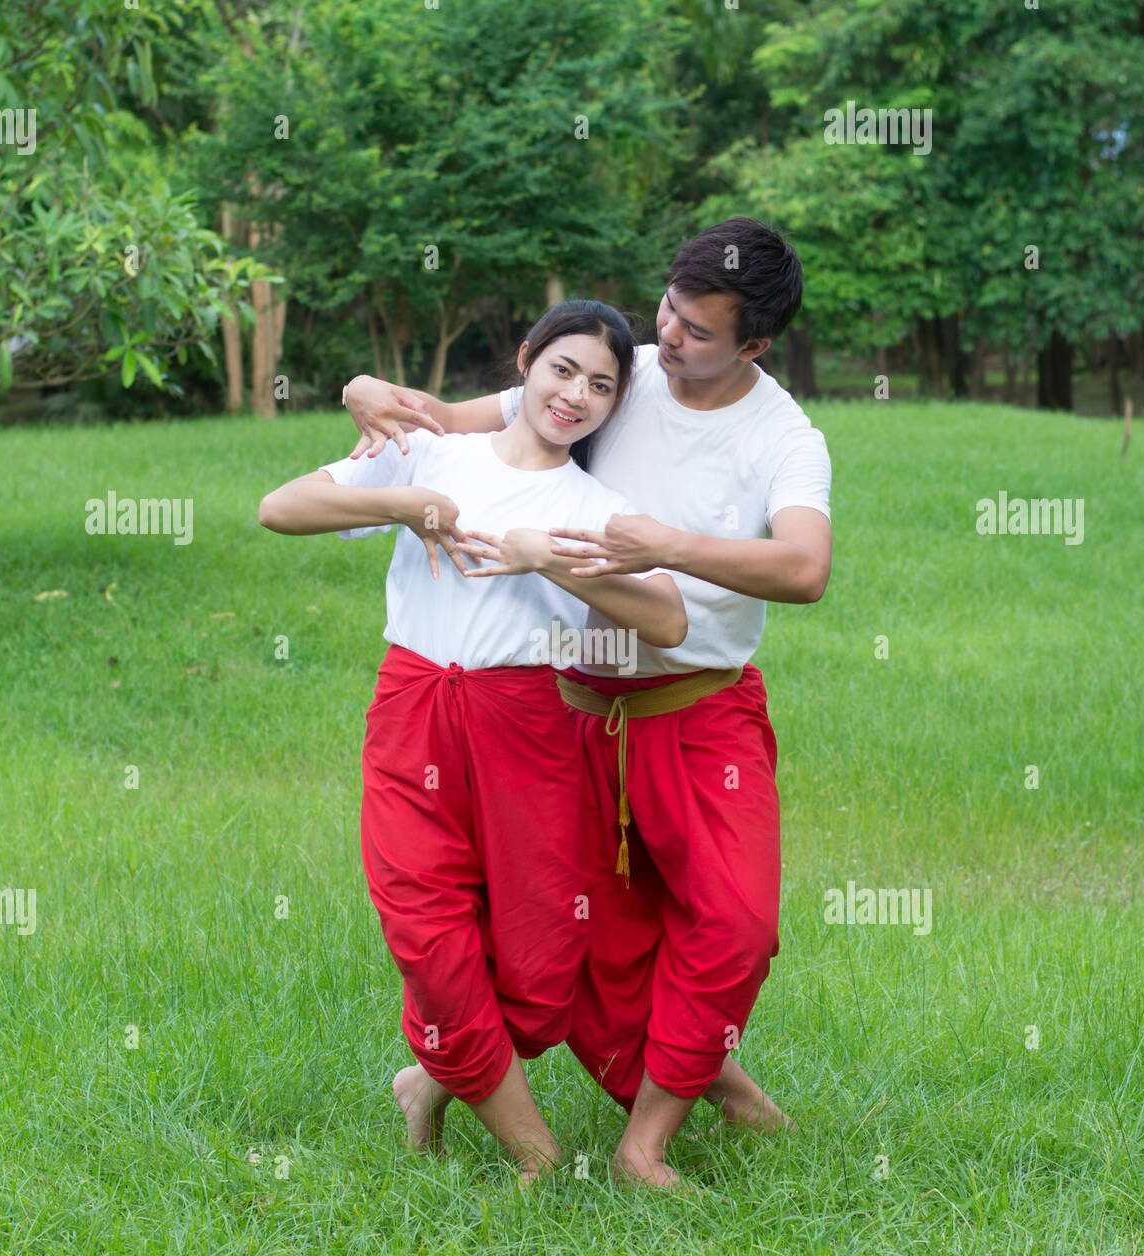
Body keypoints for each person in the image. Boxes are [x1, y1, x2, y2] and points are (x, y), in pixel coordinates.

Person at [342, 218, 833, 1188]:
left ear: (755, 344)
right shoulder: (617, 375)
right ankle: (612, 1096)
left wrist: (667, 545)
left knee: (735, 923)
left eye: (696, 328)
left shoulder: (782, 436)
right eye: (667, 310)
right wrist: (364, 390)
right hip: (565, 711)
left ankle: (647, 1140)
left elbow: (805, 567)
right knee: (583, 950)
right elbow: (451, 418)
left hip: (697, 710)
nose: (668, 338)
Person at [259, 300, 688, 1183]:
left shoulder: (595, 509)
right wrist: (406, 502)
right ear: (526, 362)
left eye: (601, 386)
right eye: (563, 369)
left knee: (537, 975)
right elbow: (280, 507)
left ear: (612, 407)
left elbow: (670, 620)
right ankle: (536, 1154)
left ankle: (428, 1079)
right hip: (414, 707)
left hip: (526, 727)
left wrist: (549, 559)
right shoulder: (433, 453)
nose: (575, 394)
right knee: (428, 933)